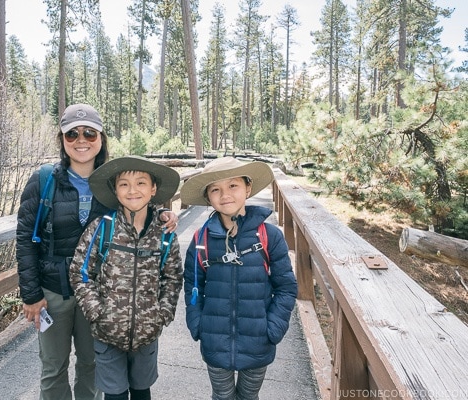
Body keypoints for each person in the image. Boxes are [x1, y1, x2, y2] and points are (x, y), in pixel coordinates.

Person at [16, 105, 178, 400]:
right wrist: (30, 294)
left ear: (101, 138)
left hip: (100, 292)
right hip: (53, 292)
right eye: (72, 134)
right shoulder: (43, 180)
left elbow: (134, 203)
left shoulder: (110, 181)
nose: (81, 140)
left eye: (90, 132)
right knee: (53, 367)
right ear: (62, 139)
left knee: (92, 365)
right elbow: (26, 238)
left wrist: (162, 213)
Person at [179, 157, 298, 400]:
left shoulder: (269, 235)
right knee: (222, 397)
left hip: (258, 340)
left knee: (248, 397)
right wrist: (197, 324)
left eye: (233, 186)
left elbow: (286, 287)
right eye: (215, 189)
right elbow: (192, 286)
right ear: (208, 197)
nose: (225, 195)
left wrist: (273, 328)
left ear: (248, 188)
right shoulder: (201, 240)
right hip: (214, 340)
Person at [69, 156, 184, 400]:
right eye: (124, 184)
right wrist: (98, 313)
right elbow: (80, 273)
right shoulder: (102, 228)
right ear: (115, 189)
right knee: (115, 395)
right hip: (107, 333)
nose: (133, 191)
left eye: (141, 183)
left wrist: (161, 314)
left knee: (142, 392)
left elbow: (173, 278)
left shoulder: (164, 234)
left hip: (147, 334)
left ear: (153, 189)